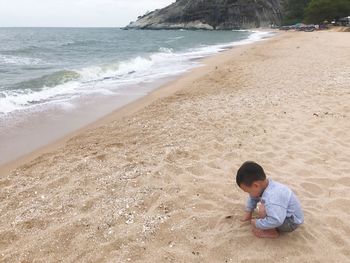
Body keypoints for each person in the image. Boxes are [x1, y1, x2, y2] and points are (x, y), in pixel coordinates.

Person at [236, 161, 304, 238]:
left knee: (262, 209)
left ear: (256, 185)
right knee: (264, 206)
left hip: (291, 222)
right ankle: (269, 224)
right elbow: (253, 198)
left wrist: (257, 223)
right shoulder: (266, 185)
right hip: (288, 214)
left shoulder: (272, 197)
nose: (249, 194)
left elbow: (276, 220)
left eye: (248, 191)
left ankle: (271, 232)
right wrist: (248, 213)